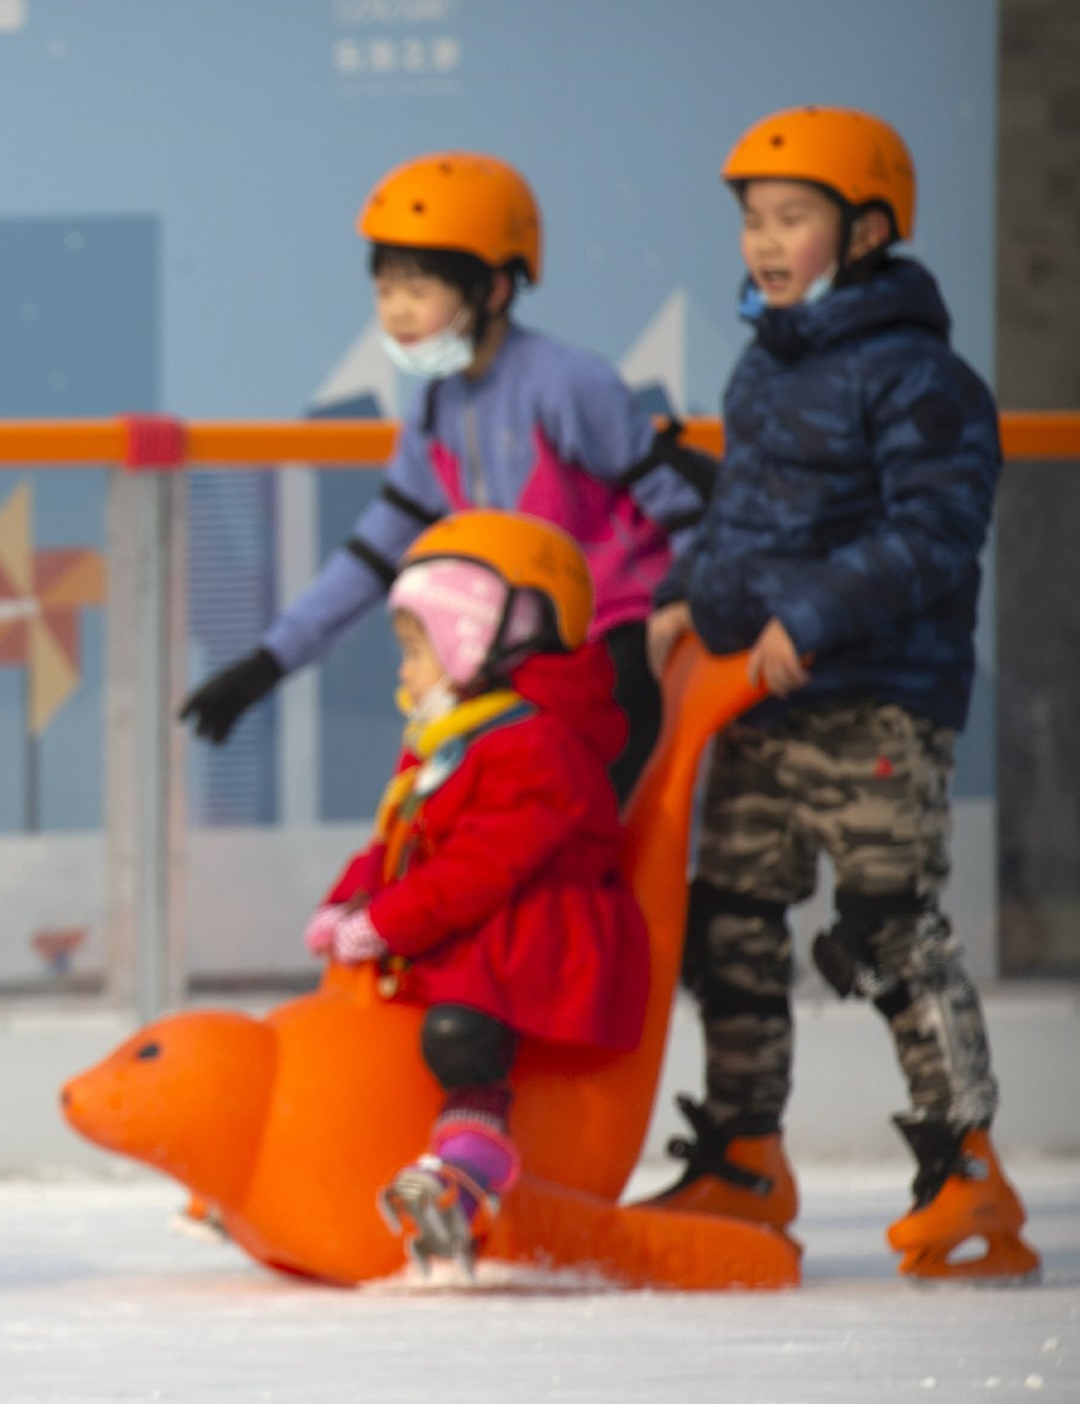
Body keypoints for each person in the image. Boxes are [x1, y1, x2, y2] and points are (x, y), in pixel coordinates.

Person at [642, 107, 1034, 1283]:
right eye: (755, 220)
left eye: (794, 217)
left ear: (866, 229)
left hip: (873, 702)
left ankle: (965, 1169)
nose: (766, 241)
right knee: (733, 919)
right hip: (760, 707)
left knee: (885, 928)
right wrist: (684, 595)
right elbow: (748, 519)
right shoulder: (766, 363)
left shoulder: (925, 379)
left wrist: (807, 618)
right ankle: (745, 1152)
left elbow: (935, 536)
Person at [182, 153, 712, 799]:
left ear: (493, 290)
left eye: (419, 288)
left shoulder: (568, 383)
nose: (397, 310)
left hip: (611, 659)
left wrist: (683, 611)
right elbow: (375, 553)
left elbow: (686, 512)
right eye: (385, 288)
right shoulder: (437, 404)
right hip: (517, 666)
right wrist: (267, 663)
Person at [308, 513, 648, 1275]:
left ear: (479, 637)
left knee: (456, 1033)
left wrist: (388, 922)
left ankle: (468, 1171)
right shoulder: (454, 731)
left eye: (415, 651)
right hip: (477, 929)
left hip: (533, 944)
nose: (404, 672)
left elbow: (480, 865)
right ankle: (328, 1161)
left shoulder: (540, 746)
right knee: (374, 1020)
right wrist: (348, 903)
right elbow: (396, 835)